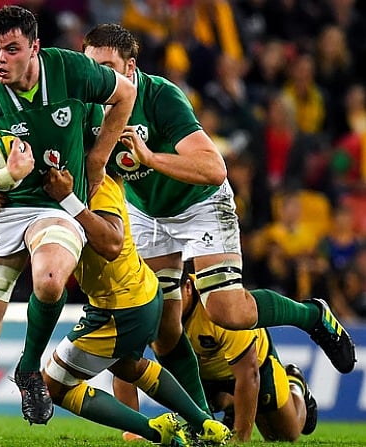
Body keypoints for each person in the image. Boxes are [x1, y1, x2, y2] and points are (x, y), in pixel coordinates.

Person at [80, 23, 356, 424]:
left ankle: (313, 315)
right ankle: (202, 422)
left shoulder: (162, 97)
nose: (99, 77)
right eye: (92, 68)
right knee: (163, 330)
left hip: (200, 205)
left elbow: (214, 168)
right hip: (146, 213)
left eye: (107, 67)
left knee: (228, 310)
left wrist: (151, 157)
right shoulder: (89, 100)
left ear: (130, 67)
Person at [0, 6, 136, 447]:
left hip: (58, 205)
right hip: (5, 210)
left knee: (49, 278)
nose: (0, 59)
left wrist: (97, 159)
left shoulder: (71, 69)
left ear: (35, 48)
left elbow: (125, 94)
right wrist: (0, 178)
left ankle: (28, 367)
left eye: (12, 49)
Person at [34, 168, 231, 445]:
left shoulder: (94, 188)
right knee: (129, 367)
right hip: (140, 293)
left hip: (119, 308)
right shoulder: (97, 177)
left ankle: (155, 431)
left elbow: (111, 242)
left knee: (54, 386)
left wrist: (67, 199)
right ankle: (206, 424)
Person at [181, 267, 317, 442]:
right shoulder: (156, 306)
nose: (168, 306)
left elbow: (249, 375)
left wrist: (240, 438)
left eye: (172, 297)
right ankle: (231, 404)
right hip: (206, 372)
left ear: (187, 287)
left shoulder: (220, 303)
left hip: (253, 366)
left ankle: (295, 382)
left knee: (284, 436)